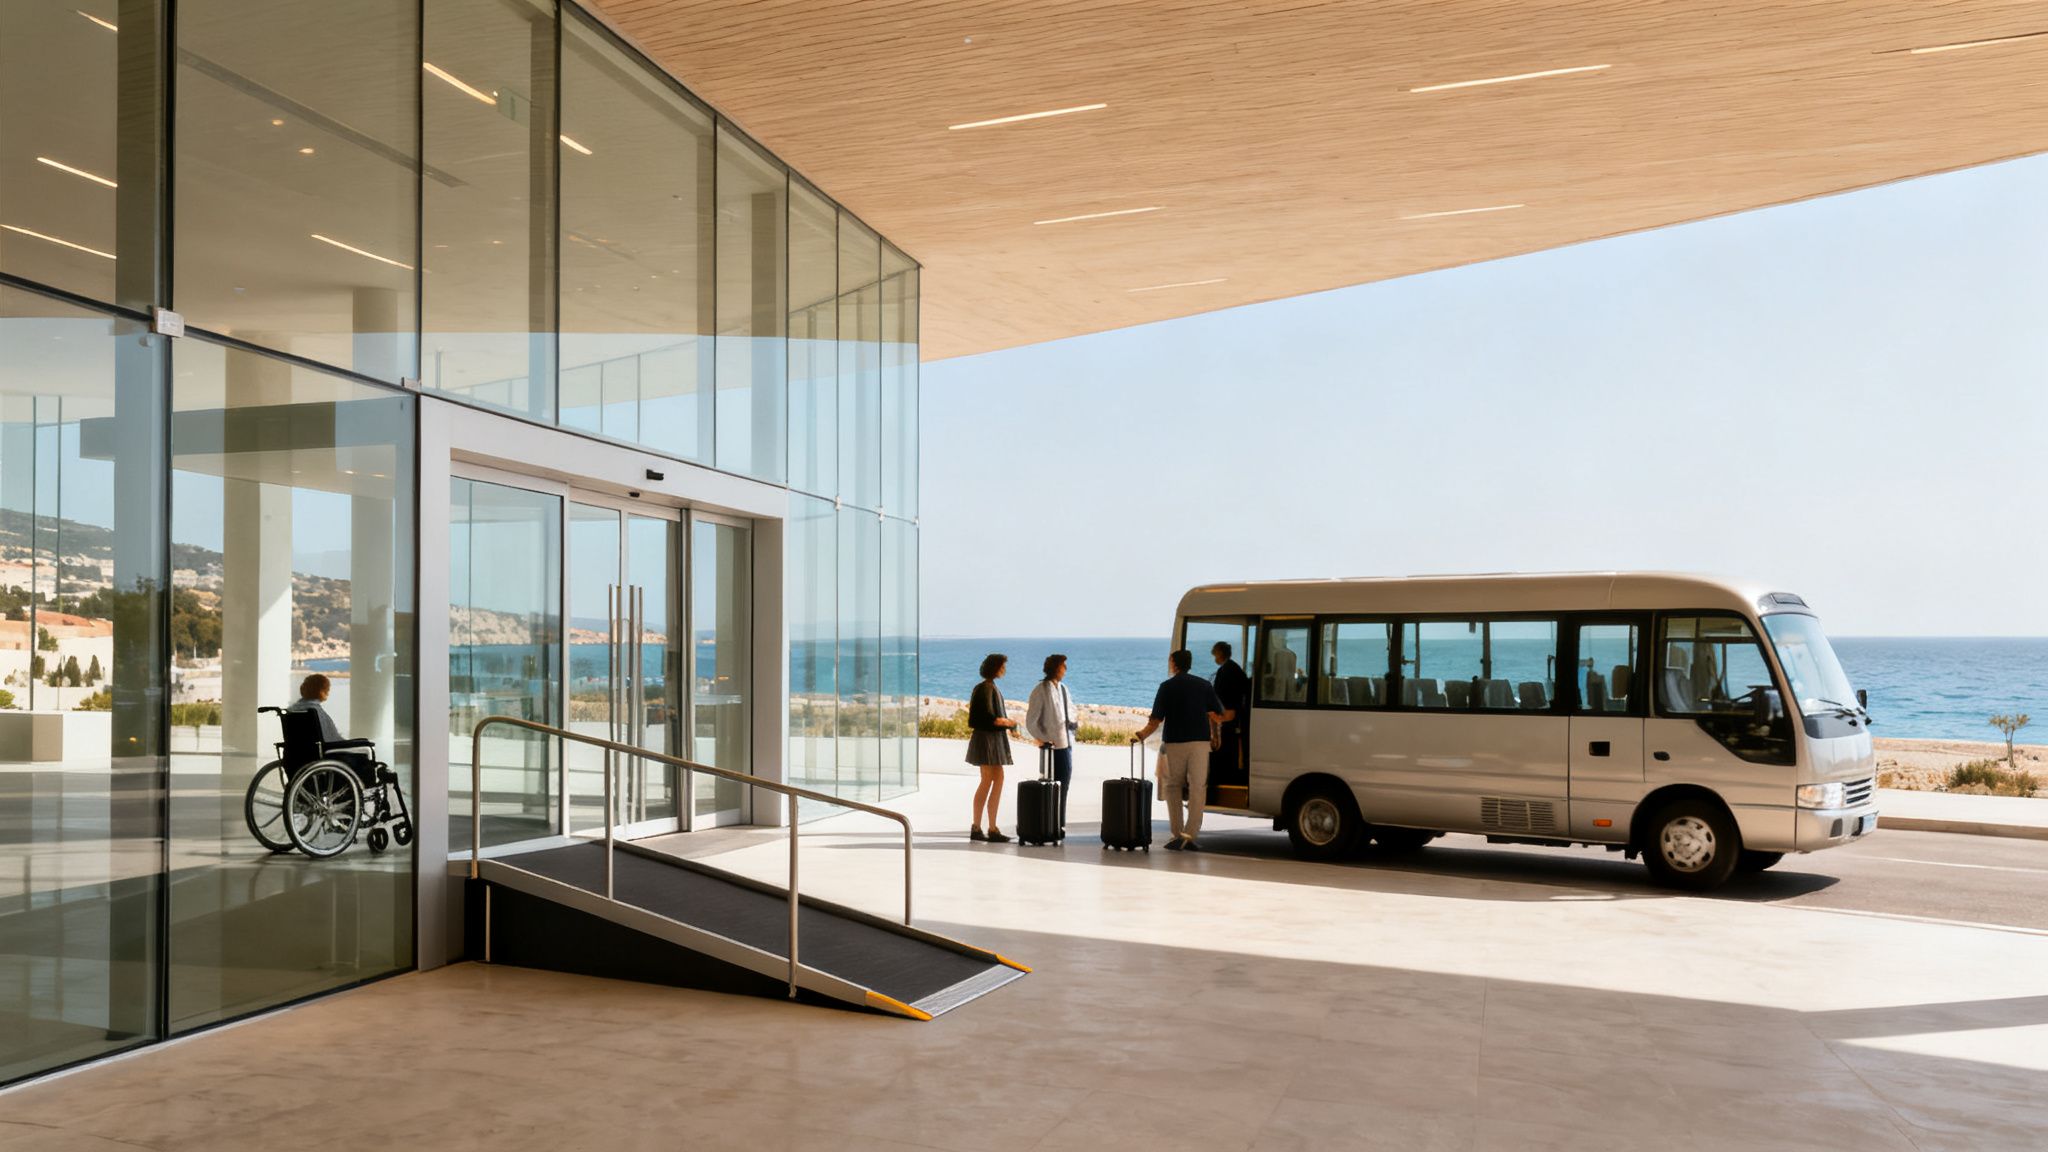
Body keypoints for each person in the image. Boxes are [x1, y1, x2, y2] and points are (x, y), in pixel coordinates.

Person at [1130, 649, 1226, 851]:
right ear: (1189, 664)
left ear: (1173, 663)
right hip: (1200, 743)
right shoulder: (1204, 685)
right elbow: (1217, 714)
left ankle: (1177, 833)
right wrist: (1216, 737)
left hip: (1174, 743)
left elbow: (1156, 720)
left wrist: (1141, 735)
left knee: (1173, 786)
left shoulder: (1166, 687)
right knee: (1198, 787)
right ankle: (1189, 835)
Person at [966, 653, 1018, 842]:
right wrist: (1008, 723)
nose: (1004, 669)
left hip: (991, 741)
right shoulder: (986, 688)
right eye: (1002, 666)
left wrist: (1007, 724)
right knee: (988, 780)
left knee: (994, 780)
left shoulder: (987, 687)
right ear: (995, 668)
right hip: (987, 741)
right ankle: (980, 827)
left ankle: (989, 827)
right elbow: (986, 718)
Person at [1024, 654, 1078, 827]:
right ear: (1056, 668)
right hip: (1051, 747)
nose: (1065, 669)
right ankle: (1047, 822)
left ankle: (1059, 822)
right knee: (1050, 784)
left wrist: (1074, 725)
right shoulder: (1040, 690)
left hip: (1066, 744)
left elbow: (1071, 711)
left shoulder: (1063, 688)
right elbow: (1031, 720)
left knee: (1064, 784)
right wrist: (1042, 738)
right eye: (1063, 666)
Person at [286, 673, 371, 773]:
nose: (328, 692)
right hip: (323, 755)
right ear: (321, 691)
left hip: (297, 756)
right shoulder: (315, 711)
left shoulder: (293, 710)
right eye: (327, 689)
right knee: (366, 747)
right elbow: (331, 739)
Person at [1210, 641, 1250, 788]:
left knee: (1224, 755)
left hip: (1228, 720)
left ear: (1220, 653)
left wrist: (1215, 718)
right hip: (1235, 718)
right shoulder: (1234, 668)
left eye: (1215, 654)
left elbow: (1221, 698)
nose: (1214, 658)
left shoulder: (1225, 672)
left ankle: (1222, 786)